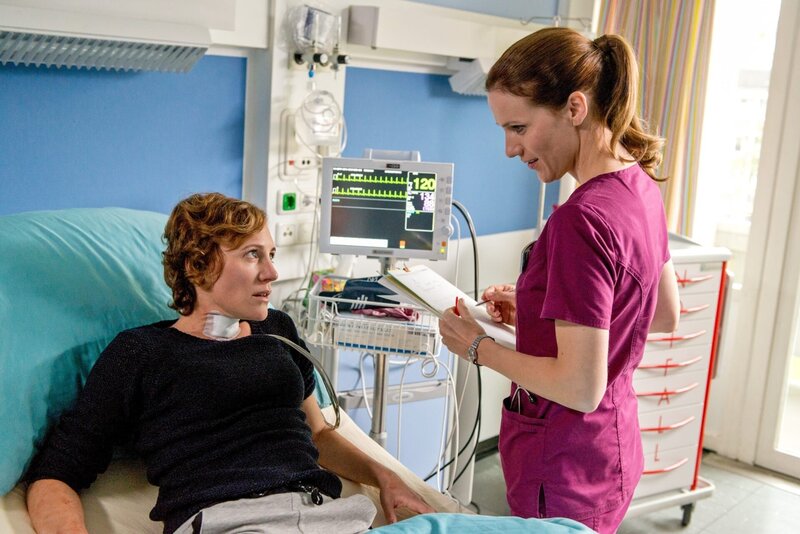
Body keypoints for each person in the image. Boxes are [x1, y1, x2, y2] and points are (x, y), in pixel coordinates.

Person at [25, 192, 433, 534]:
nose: (272, 272)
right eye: (253, 255)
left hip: (328, 516)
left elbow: (319, 434)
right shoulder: (141, 353)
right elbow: (56, 474)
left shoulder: (277, 330)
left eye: (271, 254)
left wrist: (385, 477)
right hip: (230, 523)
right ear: (196, 265)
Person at [438, 27, 681, 534]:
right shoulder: (639, 186)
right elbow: (659, 313)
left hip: (564, 463)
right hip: (610, 452)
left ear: (574, 108)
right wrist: (539, 308)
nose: (510, 148)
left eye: (519, 127)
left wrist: (477, 347)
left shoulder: (580, 220)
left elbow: (579, 386)